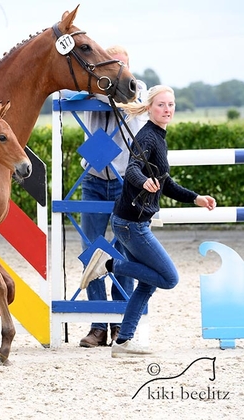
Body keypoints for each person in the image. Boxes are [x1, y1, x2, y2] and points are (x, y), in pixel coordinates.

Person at [80, 85, 217, 357]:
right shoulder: (147, 137)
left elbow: (166, 184)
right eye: (161, 105)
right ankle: (108, 264)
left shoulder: (158, 137)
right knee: (169, 278)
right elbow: (132, 168)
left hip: (131, 222)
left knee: (148, 282)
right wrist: (143, 181)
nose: (167, 109)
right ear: (150, 108)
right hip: (132, 225)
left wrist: (196, 198)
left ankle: (123, 341)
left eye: (171, 105)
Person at [79, 46, 148, 348]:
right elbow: (71, 92)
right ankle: (98, 325)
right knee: (91, 250)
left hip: (124, 182)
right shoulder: (93, 86)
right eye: (112, 64)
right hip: (93, 179)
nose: (118, 70)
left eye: (123, 65)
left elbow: (134, 94)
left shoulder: (136, 88)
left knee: (124, 252)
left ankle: (120, 321)